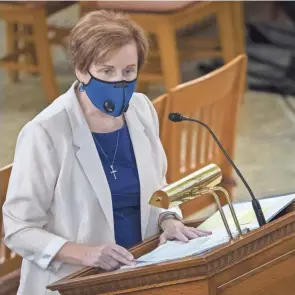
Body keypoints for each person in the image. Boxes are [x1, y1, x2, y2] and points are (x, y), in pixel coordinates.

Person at [2, 10, 210, 295]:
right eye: (106, 71)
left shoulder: (141, 109)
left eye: (128, 71)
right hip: (76, 280)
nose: (119, 83)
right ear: (81, 70)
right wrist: (84, 253)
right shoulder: (46, 132)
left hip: (141, 269)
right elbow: (18, 230)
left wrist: (169, 219)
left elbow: (160, 186)